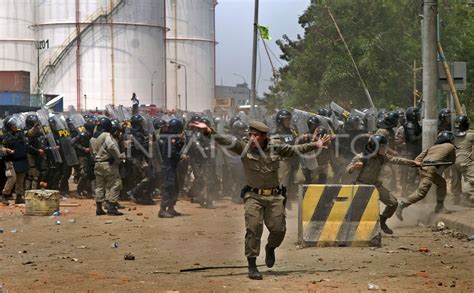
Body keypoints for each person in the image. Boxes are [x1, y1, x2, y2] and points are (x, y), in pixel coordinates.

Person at [191, 119, 330, 280]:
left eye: (255, 135)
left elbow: (295, 149)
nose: (251, 138)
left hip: (274, 196)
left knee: (279, 230)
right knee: (253, 228)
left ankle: (270, 247)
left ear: (264, 136)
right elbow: (226, 141)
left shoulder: (276, 148)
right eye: (249, 134)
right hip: (253, 196)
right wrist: (209, 131)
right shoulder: (244, 148)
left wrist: (316, 145)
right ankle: (252, 265)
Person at [347, 134, 420, 234]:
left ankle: (382, 221)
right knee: (358, 209)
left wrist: (413, 163)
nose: (385, 149)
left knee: (393, 203)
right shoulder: (361, 157)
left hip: (375, 185)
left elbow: (397, 160)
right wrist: (354, 167)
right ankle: (353, 230)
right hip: (361, 185)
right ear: (374, 146)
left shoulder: (382, 157)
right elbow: (348, 169)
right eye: (382, 147)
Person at [396, 131, 457, 220]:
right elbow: (452, 161)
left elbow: (417, 159)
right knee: (421, 193)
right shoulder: (451, 147)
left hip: (424, 167)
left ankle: (439, 207)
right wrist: (441, 165)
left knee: (441, 183)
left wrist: (421, 169)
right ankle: (402, 204)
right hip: (430, 169)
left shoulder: (432, 147)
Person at [90, 117, 124, 216]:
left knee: (99, 186)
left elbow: (92, 152)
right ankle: (112, 208)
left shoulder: (93, 138)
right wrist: (118, 156)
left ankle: (99, 208)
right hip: (108, 164)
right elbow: (111, 146)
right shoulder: (106, 135)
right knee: (115, 184)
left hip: (97, 164)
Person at [158, 119, 186, 218]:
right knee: (169, 187)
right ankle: (162, 210)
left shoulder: (172, 138)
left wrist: (181, 142)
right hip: (168, 166)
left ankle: (171, 208)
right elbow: (172, 153)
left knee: (175, 187)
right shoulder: (170, 139)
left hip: (172, 166)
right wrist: (181, 156)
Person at [0, 116, 29, 205]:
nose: (15, 127)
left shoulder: (20, 134)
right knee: (12, 178)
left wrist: (35, 127)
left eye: (16, 125)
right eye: (13, 125)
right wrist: (6, 150)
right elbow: (1, 147)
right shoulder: (4, 137)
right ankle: (4, 195)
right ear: (9, 126)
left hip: (21, 159)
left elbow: (30, 133)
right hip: (10, 161)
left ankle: (19, 197)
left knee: (20, 178)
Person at [451, 115, 474, 206]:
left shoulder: (452, 135)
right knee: (472, 179)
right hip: (464, 161)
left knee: (456, 180)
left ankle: (456, 199)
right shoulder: (470, 135)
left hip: (453, 161)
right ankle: (465, 197)